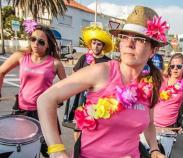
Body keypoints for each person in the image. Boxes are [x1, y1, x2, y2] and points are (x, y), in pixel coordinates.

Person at [37, 6, 169, 158]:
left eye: (139, 39)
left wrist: (154, 149)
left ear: (153, 50)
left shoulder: (149, 85)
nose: (129, 44)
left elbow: (150, 122)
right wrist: (57, 151)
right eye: (125, 37)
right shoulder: (103, 72)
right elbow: (46, 99)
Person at [0, 21, 66, 157]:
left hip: (45, 112)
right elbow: (1, 72)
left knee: (51, 151)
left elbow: (66, 85)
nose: (36, 43)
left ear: (48, 45)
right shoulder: (21, 56)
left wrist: (58, 100)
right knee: (20, 151)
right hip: (21, 109)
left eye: (41, 42)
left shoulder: (55, 63)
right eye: (33, 39)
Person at [62, 24, 112, 140]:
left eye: (99, 44)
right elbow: (74, 76)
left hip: (98, 100)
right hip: (81, 97)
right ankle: (76, 151)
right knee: (78, 126)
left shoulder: (108, 62)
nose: (96, 46)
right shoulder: (84, 58)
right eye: (94, 43)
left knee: (95, 127)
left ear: (103, 46)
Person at [154, 53, 183, 129]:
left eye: (179, 66)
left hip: (169, 128)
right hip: (151, 124)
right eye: (172, 66)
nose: (175, 68)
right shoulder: (161, 80)